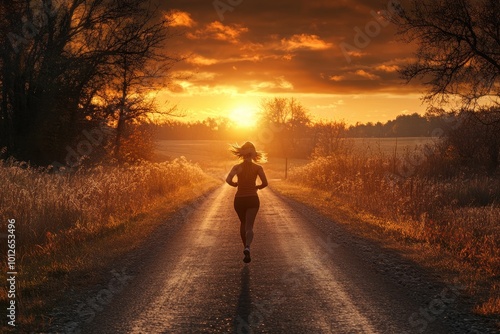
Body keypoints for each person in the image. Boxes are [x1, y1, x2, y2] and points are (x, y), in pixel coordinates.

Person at [226, 142, 268, 263]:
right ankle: (248, 247)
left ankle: (245, 247)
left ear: (242, 153)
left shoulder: (236, 167)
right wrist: (257, 187)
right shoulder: (258, 168)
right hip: (252, 199)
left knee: (243, 223)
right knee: (249, 226)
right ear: (254, 153)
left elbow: (228, 180)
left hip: (239, 199)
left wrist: (235, 184)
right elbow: (265, 183)